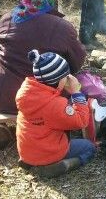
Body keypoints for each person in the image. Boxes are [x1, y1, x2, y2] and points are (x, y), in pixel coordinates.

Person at [0, 0, 86, 114]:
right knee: (78, 83)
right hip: (40, 101)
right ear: (52, 2)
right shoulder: (62, 26)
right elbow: (77, 61)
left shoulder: (8, 18)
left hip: (1, 96)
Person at [16, 49, 95, 178]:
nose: (68, 78)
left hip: (27, 152)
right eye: (66, 77)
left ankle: (31, 162)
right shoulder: (54, 105)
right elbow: (82, 121)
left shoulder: (27, 92)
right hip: (49, 152)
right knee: (89, 147)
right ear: (58, 81)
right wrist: (76, 93)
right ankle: (64, 164)